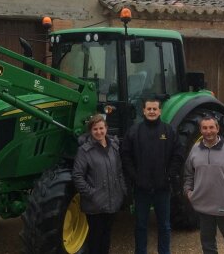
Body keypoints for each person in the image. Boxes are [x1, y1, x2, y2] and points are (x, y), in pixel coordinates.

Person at [121, 99, 184, 254]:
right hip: (141, 189)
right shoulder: (134, 131)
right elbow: (125, 156)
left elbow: (178, 155)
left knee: (164, 226)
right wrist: (135, 177)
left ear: (160, 111)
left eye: (155, 109)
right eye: (148, 108)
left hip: (162, 189)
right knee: (141, 225)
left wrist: (168, 176)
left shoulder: (169, 131)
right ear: (143, 111)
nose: (152, 111)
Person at [184, 116, 224, 254]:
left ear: (217, 129)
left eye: (211, 127)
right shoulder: (195, 149)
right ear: (201, 130)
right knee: (208, 246)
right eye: (205, 128)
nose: (208, 131)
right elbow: (188, 174)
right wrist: (189, 192)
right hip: (204, 208)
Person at [72, 114, 127, 254]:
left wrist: (121, 191)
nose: (99, 132)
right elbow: (77, 176)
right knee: (95, 239)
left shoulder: (114, 147)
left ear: (106, 128)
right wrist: (92, 194)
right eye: (95, 129)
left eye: (101, 128)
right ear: (90, 131)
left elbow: (119, 171)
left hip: (112, 201)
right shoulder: (84, 151)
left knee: (107, 236)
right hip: (95, 205)